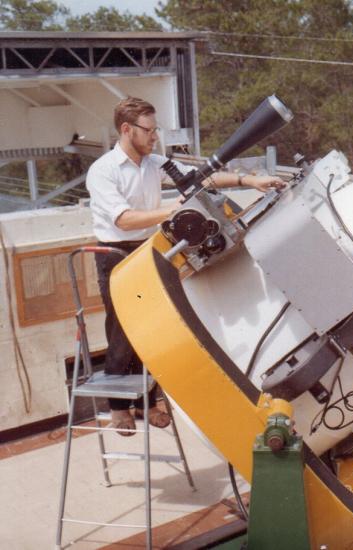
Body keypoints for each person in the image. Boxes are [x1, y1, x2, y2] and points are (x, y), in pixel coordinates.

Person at [86, 96, 285, 435]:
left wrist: (249, 182)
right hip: (115, 253)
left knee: (155, 329)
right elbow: (126, 219)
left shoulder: (152, 162)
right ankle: (118, 407)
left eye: (156, 130)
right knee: (124, 329)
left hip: (149, 249)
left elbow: (201, 179)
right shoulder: (103, 171)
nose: (154, 137)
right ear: (126, 129)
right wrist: (173, 212)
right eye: (149, 131)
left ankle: (148, 401)